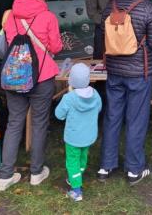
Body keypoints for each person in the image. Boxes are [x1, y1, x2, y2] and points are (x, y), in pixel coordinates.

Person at [96, 0, 152, 186]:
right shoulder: (148, 7)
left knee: (112, 116)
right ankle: (134, 169)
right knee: (136, 119)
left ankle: (105, 166)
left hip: (114, 71)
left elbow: (103, 33)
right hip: (138, 72)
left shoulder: (111, 4)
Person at [0, 0, 63, 191]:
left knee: (14, 123)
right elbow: (56, 47)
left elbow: (7, 42)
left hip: (15, 77)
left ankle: (5, 175)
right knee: (39, 123)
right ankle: (36, 173)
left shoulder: (10, 16)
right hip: (41, 77)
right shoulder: (48, 16)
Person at [55, 63, 102, 202]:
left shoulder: (69, 98)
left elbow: (58, 114)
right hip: (89, 135)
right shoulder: (95, 94)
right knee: (82, 158)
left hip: (73, 138)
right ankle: (76, 176)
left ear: (71, 81)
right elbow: (99, 108)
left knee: (72, 162)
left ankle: (76, 191)